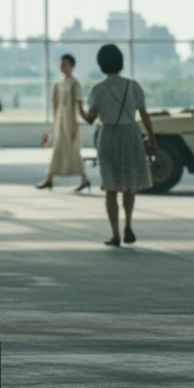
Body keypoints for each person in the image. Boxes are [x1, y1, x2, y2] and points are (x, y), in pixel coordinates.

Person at [80, 44, 156, 247]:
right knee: (129, 184)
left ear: (101, 65)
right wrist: (152, 138)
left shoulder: (98, 89)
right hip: (131, 134)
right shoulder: (133, 86)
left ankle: (115, 234)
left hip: (109, 136)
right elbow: (145, 115)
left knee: (111, 187)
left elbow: (90, 118)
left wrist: (79, 108)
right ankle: (128, 225)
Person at [37, 54, 90, 192]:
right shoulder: (58, 83)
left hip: (71, 120)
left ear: (71, 66)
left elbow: (77, 106)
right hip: (61, 119)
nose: (62, 66)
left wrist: (76, 126)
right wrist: (54, 124)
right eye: (61, 63)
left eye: (65, 63)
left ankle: (83, 178)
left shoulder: (74, 83)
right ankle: (50, 177)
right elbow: (56, 104)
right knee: (58, 149)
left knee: (72, 150)